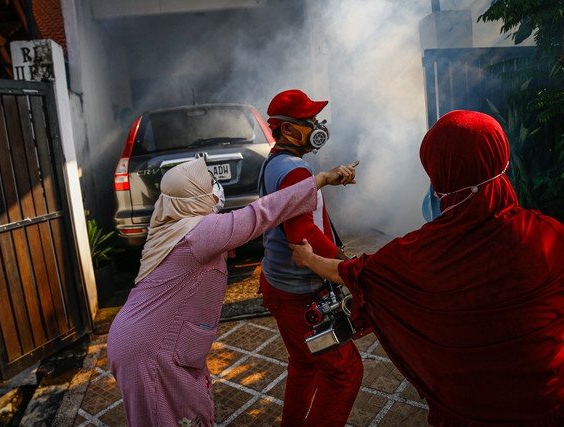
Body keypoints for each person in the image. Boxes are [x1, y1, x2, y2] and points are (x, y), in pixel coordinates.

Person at [290, 110, 564, 426]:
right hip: (546, 408)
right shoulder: (549, 235)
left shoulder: (419, 254)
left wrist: (309, 259)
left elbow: (355, 272)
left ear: (439, 176)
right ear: (502, 160)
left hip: (465, 412)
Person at [107, 156, 358, 427]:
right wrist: (319, 179)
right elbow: (260, 214)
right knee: (171, 418)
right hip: (150, 349)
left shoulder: (173, 222)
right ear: (191, 195)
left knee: (186, 411)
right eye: (209, 183)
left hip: (143, 337)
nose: (216, 186)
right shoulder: (197, 233)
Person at [258, 89, 363, 426]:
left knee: (303, 366)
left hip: (278, 289)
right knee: (343, 374)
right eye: (310, 121)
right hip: (301, 296)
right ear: (287, 130)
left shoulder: (275, 163)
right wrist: (344, 263)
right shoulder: (295, 171)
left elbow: (294, 206)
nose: (318, 126)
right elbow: (300, 233)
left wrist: (326, 179)